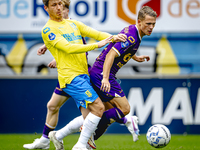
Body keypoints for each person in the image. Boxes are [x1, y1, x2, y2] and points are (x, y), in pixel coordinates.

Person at [48, 5, 157, 150]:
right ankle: (88, 137)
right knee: (124, 108)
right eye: (148, 23)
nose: (151, 27)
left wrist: (135, 57)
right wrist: (105, 78)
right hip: (102, 74)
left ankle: (59, 135)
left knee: (98, 113)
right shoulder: (132, 36)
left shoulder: (134, 33)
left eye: (153, 24)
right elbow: (111, 54)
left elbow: (122, 49)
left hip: (100, 73)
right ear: (139, 21)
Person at [25, 0, 126, 150]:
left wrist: (114, 37)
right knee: (98, 108)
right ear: (46, 8)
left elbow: (96, 33)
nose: (59, 7)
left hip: (83, 74)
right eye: (54, 5)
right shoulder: (48, 30)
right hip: (71, 78)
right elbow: (68, 48)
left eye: (60, 3)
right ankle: (79, 146)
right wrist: (97, 45)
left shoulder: (72, 24)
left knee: (89, 118)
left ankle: (57, 138)